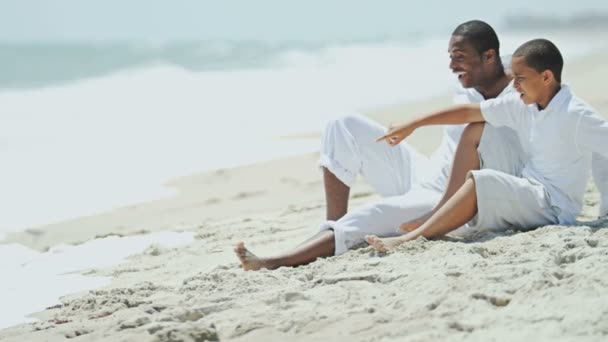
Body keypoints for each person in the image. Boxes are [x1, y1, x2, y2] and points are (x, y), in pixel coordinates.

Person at [366, 38, 608, 252]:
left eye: (521, 79)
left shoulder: (576, 114)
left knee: (481, 181)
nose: (514, 86)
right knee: (477, 128)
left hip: (554, 206)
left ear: (546, 77)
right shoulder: (522, 105)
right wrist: (414, 123)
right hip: (529, 188)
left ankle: (408, 239)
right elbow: (469, 112)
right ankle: (440, 214)